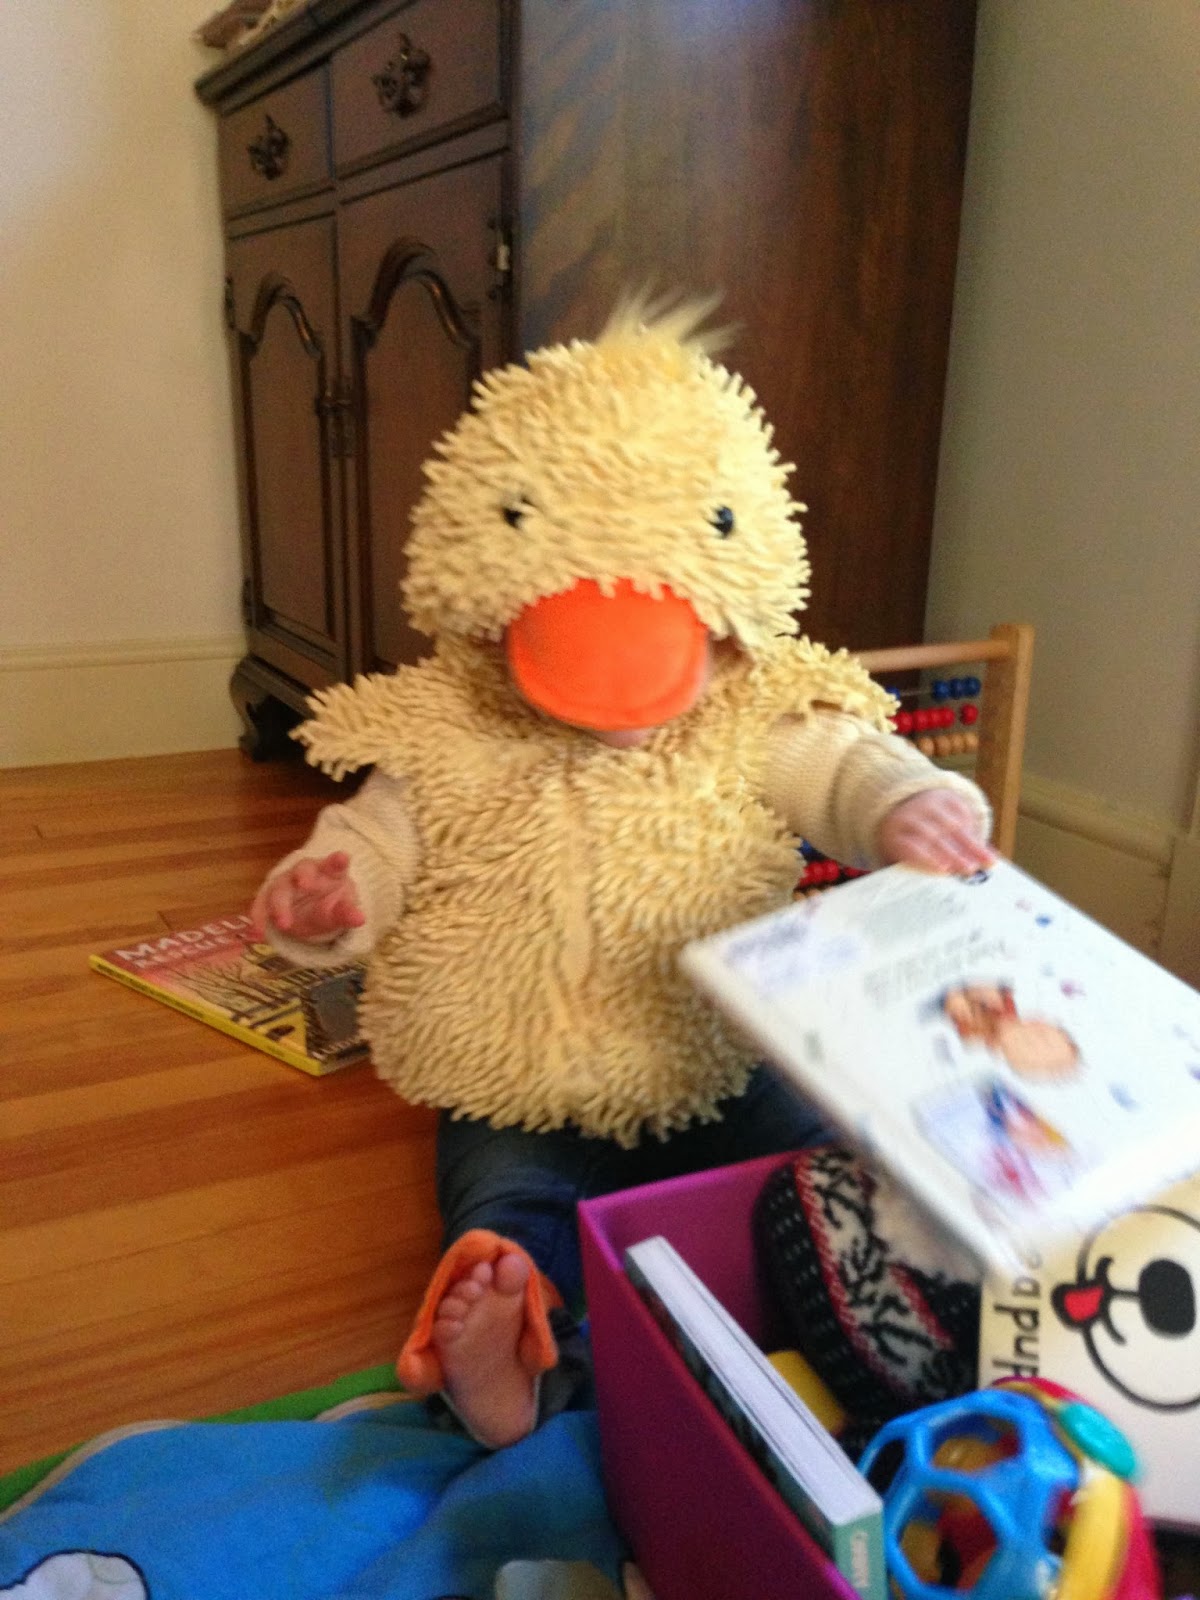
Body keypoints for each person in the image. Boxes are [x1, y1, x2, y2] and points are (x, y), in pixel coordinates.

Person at [250, 297, 995, 1450]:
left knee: (818, 1171)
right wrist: (329, 888)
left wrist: (908, 805)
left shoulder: (750, 708)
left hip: (715, 1059)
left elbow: (841, 760)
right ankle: (515, 1351)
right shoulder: (450, 726)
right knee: (504, 1210)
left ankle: (873, 1317)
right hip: (516, 1081)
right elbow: (378, 836)